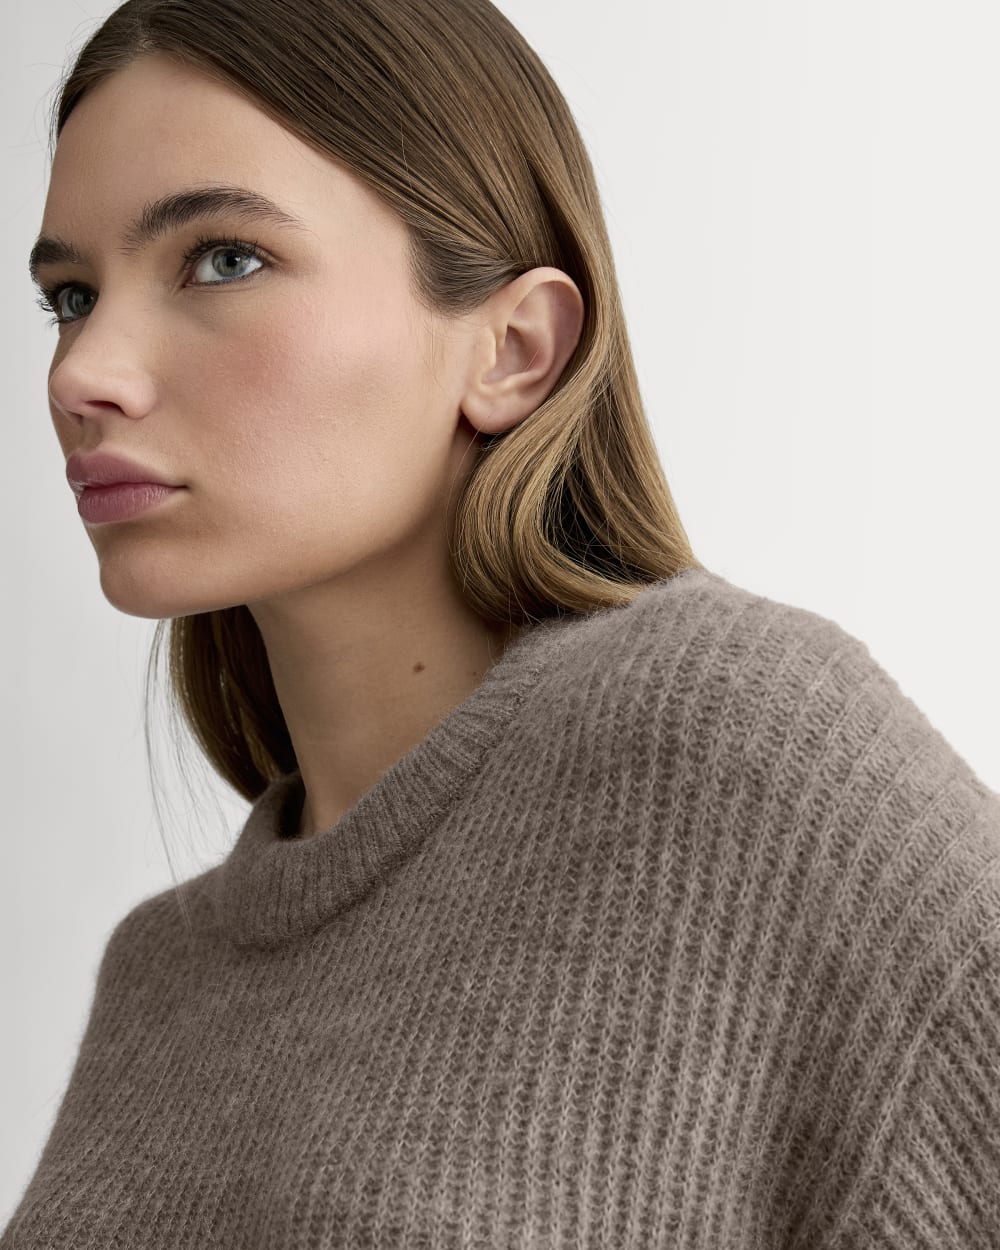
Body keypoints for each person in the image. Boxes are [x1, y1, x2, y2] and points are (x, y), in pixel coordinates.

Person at [6, 1, 998, 1246]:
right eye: (70, 295)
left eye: (223, 259)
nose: (83, 372)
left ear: (514, 348)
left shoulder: (737, 747)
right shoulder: (156, 978)